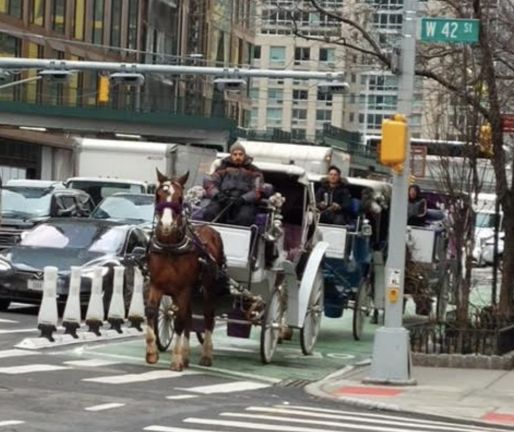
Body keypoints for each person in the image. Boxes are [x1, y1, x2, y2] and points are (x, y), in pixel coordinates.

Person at [203, 142, 264, 226]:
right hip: (223, 200)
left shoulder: (255, 170)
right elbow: (209, 183)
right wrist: (218, 195)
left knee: (244, 217)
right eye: (235, 154)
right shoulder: (222, 168)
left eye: (240, 154)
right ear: (231, 155)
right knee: (210, 212)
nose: (238, 157)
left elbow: (258, 189)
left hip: (244, 203)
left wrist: (243, 199)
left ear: (244, 155)